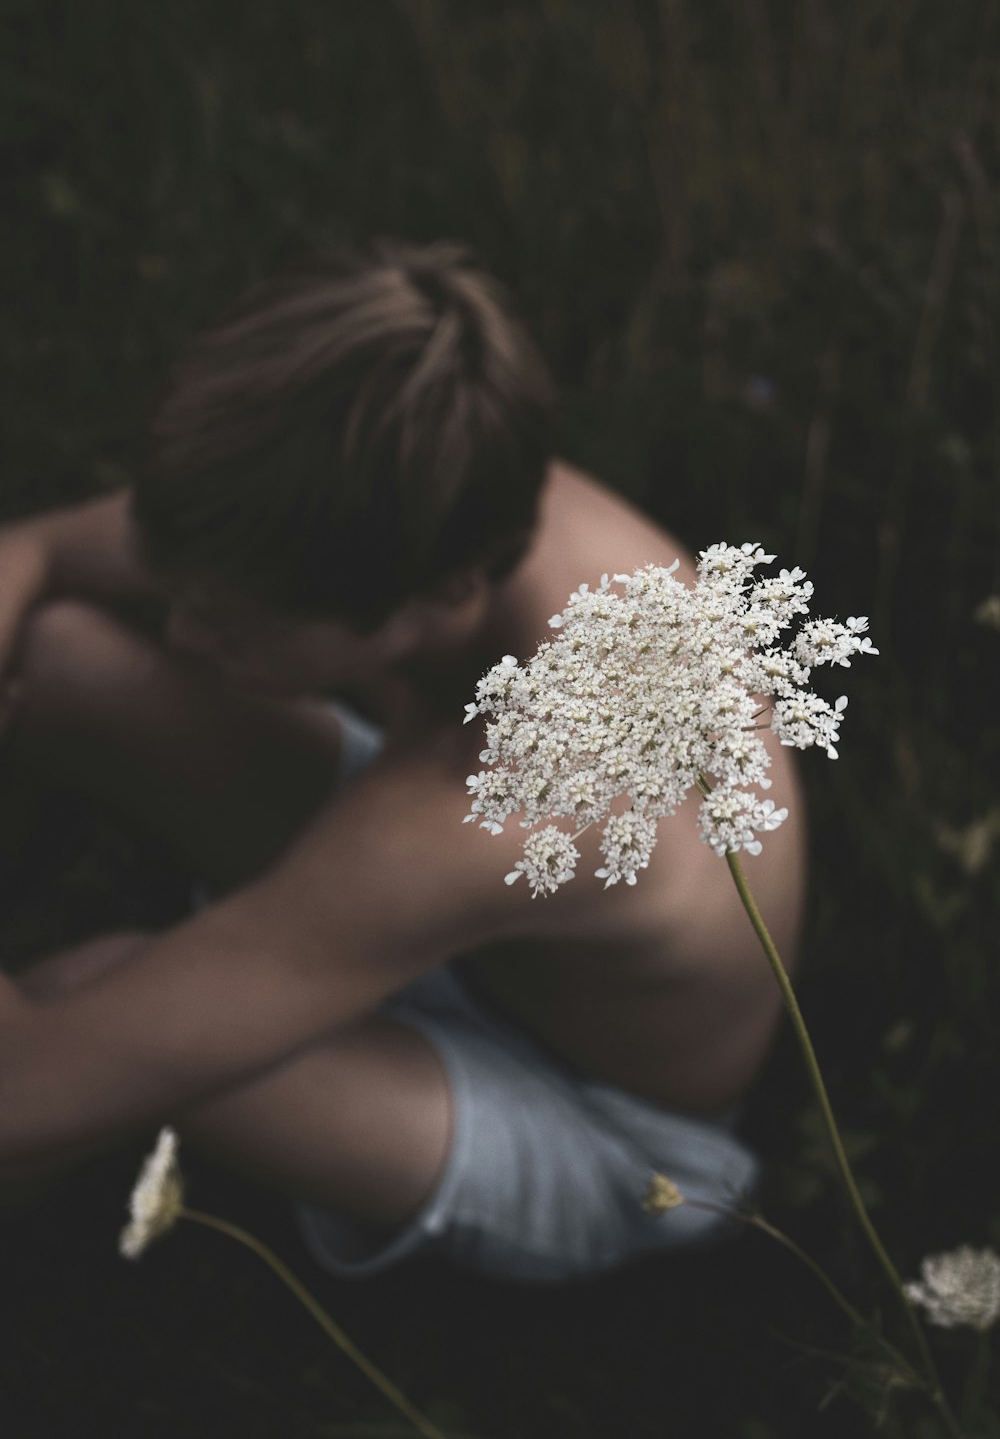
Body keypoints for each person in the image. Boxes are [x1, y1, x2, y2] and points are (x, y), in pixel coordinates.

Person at [0, 241, 805, 1281]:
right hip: (458, 916)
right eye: (183, 589)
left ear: (434, 600)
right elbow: (35, 551)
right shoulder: (405, 486)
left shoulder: (500, 797)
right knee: (68, 655)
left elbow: (22, 1087)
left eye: (232, 624)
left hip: (594, 1118)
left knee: (83, 997)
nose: (186, 634)